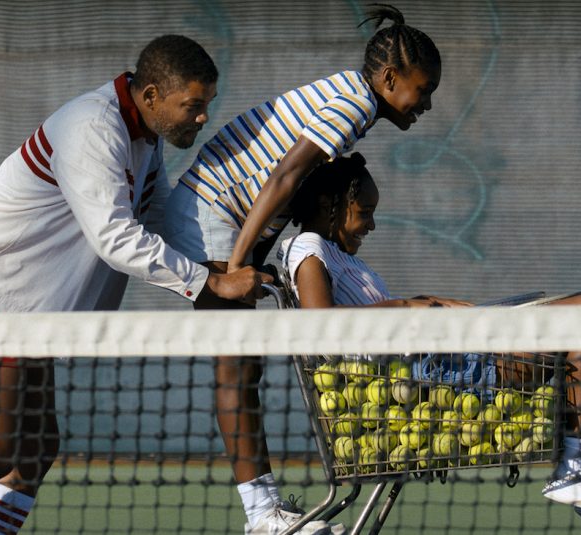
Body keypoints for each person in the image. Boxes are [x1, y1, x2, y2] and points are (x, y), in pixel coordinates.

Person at [0, 35, 275, 534]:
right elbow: (116, 238)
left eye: (206, 104)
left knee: (33, 451)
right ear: (151, 97)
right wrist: (209, 283)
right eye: (193, 105)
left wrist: (217, 268)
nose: (203, 117)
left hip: (22, 310)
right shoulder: (93, 126)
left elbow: (156, 218)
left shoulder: (144, 138)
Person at [275, 154, 581, 535]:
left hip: (444, 359)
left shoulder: (340, 256)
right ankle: (580, 470)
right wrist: (410, 306)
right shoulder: (308, 248)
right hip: (438, 375)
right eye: (364, 212)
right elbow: (321, 327)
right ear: (329, 204)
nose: (372, 224)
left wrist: (434, 301)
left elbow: (378, 311)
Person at [161, 5, 440, 534]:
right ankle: (262, 515)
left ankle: (265, 511)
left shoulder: (352, 101)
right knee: (238, 367)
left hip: (234, 219)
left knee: (244, 368)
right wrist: (238, 266)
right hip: (213, 213)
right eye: (422, 90)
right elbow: (285, 177)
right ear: (388, 79)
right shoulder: (354, 104)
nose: (425, 104)